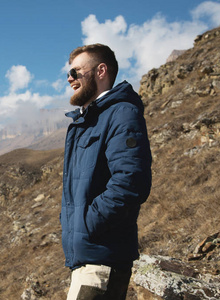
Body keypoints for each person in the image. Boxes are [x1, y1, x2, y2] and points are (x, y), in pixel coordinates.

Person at [61, 44, 152, 300]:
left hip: (102, 260)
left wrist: (88, 223)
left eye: (76, 71)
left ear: (101, 71)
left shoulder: (122, 114)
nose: (70, 78)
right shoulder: (89, 120)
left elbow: (131, 182)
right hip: (88, 259)